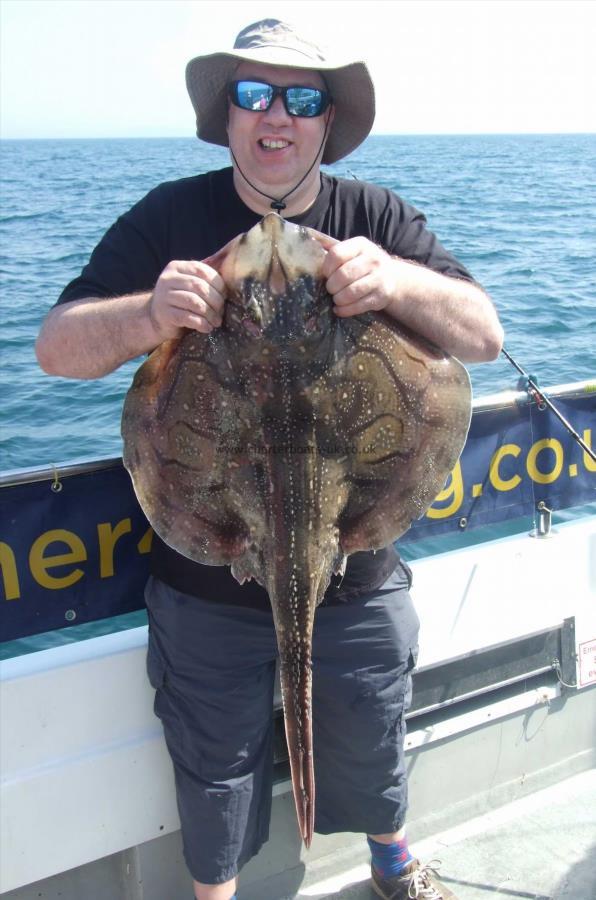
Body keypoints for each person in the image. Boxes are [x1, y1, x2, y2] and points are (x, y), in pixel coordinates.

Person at [36, 18, 503, 900]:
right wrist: (150, 314)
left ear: (329, 121)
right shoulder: (170, 217)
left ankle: (393, 863)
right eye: (255, 94)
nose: (276, 115)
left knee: (372, 719)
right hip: (210, 566)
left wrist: (395, 282)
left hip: (355, 551)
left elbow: (483, 336)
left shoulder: (376, 218)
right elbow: (55, 349)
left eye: (302, 98)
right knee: (217, 759)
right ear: (228, 114)